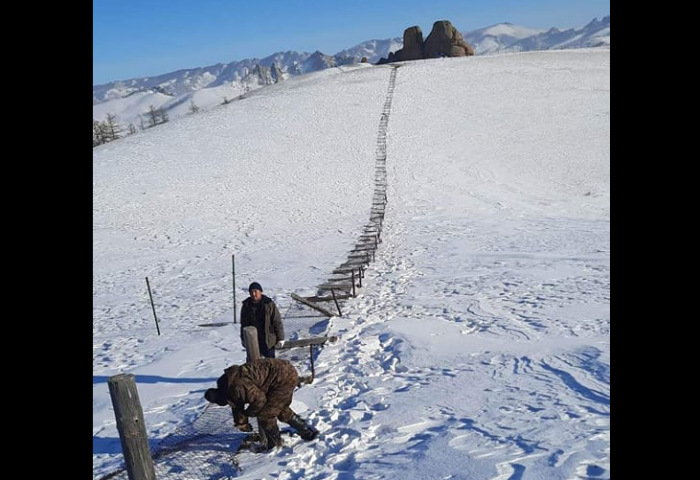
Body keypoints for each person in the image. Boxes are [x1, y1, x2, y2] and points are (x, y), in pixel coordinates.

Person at [204, 358, 318, 450]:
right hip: (280, 375)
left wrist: (250, 413)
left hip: (283, 378)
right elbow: (236, 403)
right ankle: (306, 432)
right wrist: (241, 422)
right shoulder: (228, 384)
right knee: (279, 409)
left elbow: (260, 400)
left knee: (266, 415)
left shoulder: (237, 386)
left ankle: (275, 446)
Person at [240, 282, 284, 358]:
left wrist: (280, 338)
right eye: (251, 292)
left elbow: (277, 321)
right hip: (253, 340)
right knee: (253, 364)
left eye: (255, 291)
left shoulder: (269, 304)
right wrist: (244, 339)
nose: (253, 294)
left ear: (260, 292)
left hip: (268, 340)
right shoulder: (246, 306)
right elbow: (243, 324)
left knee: (270, 364)